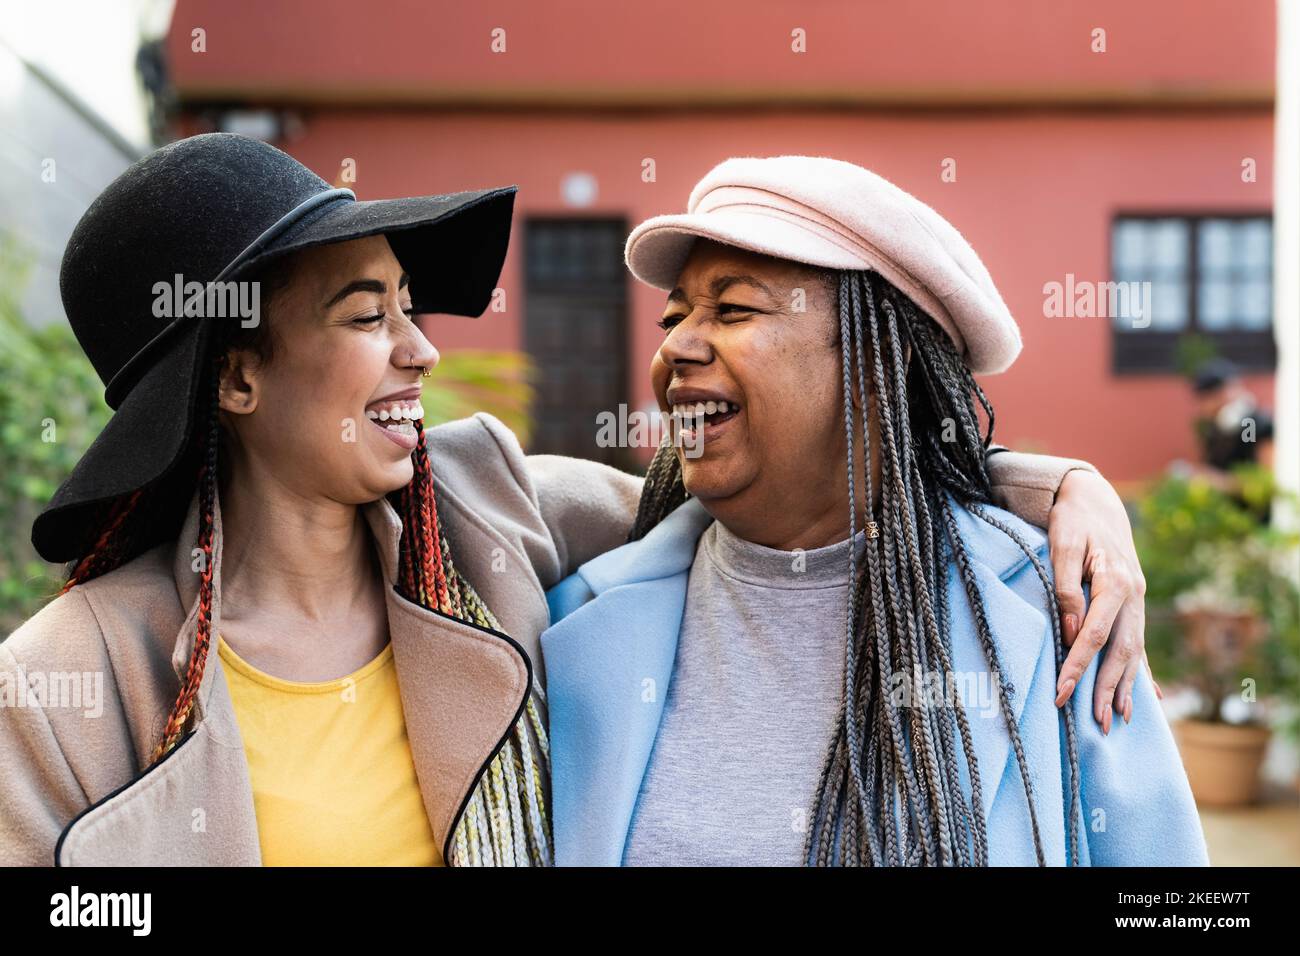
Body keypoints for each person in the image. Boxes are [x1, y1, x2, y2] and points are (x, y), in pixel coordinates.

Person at [1, 136, 1154, 867]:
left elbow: (813, 485)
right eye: (364, 316)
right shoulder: (72, 684)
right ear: (236, 377)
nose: (418, 352)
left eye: (410, 307)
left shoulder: (490, 516)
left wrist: (1059, 488)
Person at [540, 157, 1208, 866]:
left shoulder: (1060, 608)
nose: (675, 345)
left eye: (733, 309)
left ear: (871, 366)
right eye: (674, 315)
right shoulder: (575, 611)